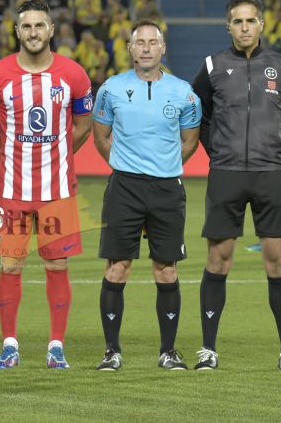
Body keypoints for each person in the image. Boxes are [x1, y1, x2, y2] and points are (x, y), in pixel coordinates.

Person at [191, 0, 281, 371]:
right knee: (218, 259)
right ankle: (208, 349)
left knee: (277, 260)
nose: (244, 28)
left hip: (269, 173)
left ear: (262, 24)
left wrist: (278, 149)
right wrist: (218, 152)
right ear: (228, 27)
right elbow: (199, 117)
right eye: (237, 22)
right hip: (226, 174)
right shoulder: (212, 66)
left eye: (250, 21)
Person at [0, 0, 93, 369]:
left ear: (51, 30)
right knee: (10, 266)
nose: (33, 32)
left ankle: (55, 345)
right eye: (26, 26)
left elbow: (83, 124)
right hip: (11, 191)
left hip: (57, 192)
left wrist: (60, 155)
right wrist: (9, 155)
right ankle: (9, 343)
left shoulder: (73, 74)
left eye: (39, 26)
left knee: (57, 266)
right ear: (16, 31)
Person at [92, 20, 202, 371]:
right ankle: (112, 351)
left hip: (167, 188)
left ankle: (168, 351)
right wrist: (128, 166)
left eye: (152, 42)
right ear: (129, 47)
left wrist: (162, 166)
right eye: (139, 42)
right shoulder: (111, 88)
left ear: (162, 48)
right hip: (124, 187)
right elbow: (101, 137)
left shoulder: (184, 93)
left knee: (166, 270)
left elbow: (190, 142)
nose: (145, 48)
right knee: (117, 268)